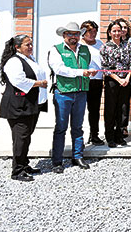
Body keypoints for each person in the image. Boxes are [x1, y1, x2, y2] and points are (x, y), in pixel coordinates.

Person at [48, 22, 96, 173]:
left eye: (76, 34)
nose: (73, 36)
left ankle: (77, 156)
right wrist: (81, 72)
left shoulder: (85, 49)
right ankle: (57, 161)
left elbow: (86, 65)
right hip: (63, 93)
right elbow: (59, 69)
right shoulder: (56, 49)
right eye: (70, 33)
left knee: (77, 127)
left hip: (81, 92)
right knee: (61, 127)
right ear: (64, 35)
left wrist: (89, 71)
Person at [0, 35, 48, 181]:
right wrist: (39, 83)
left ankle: (24, 164)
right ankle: (17, 171)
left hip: (30, 104)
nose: (31, 47)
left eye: (31, 44)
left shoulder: (30, 59)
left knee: (26, 136)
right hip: (18, 106)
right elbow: (19, 80)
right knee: (20, 138)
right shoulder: (14, 61)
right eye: (27, 45)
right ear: (17, 47)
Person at [100, 20, 131, 148]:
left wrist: (127, 78)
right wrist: (118, 79)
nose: (116, 33)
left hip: (126, 81)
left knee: (123, 108)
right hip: (112, 81)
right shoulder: (105, 47)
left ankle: (119, 135)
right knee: (111, 109)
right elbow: (105, 67)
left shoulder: (128, 45)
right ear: (110, 32)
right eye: (114, 31)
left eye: (119, 31)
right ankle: (110, 137)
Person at [80, 20, 105, 146]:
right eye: (89, 31)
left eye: (94, 31)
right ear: (83, 32)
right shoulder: (78, 45)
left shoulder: (100, 44)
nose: (92, 34)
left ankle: (94, 135)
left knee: (94, 110)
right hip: (82, 81)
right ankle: (78, 138)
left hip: (97, 81)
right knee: (79, 110)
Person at [115, 17, 131, 137]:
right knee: (114, 104)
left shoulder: (129, 44)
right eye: (120, 28)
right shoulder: (111, 44)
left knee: (124, 104)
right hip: (113, 78)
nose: (123, 30)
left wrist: (127, 77)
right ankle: (114, 127)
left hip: (127, 78)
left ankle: (123, 127)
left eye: (125, 27)